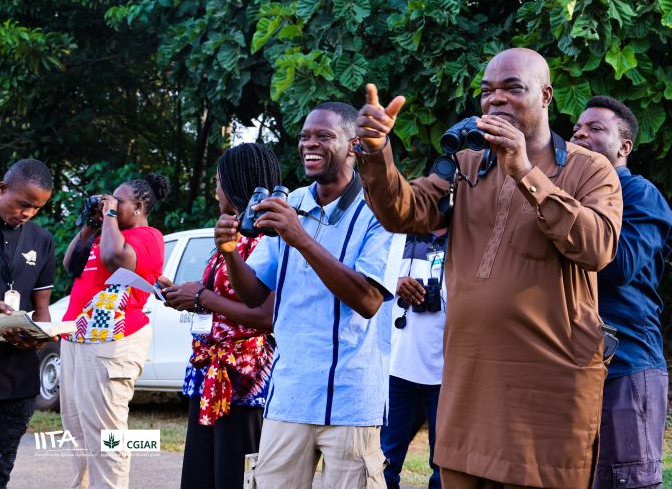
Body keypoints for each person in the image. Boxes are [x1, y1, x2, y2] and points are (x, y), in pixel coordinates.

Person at [355, 47, 624, 489]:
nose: (495, 99)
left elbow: (597, 247)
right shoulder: (469, 164)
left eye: (512, 88)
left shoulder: (589, 168)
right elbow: (404, 211)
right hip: (468, 383)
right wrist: (378, 153)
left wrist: (523, 170)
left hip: (547, 389)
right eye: (487, 91)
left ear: (546, 96)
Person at [220, 102, 403, 489]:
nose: (309, 144)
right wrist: (231, 251)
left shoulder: (383, 209)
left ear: (353, 146)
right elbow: (254, 295)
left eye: (323, 136)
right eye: (304, 136)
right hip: (290, 394)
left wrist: (300, 238)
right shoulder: (294, 203)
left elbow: (369, 301)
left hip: (352, 400)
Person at [570, 96, 672, 489]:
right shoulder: (568, 194)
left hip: (628, 364)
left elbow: (619, 265)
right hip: (570, 367)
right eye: (578, 128)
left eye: (596, 128)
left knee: (627, 481)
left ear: (624, 147)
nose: (581, 133)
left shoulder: (639, 194)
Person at [160, 143, 280, 489]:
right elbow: (219, 296)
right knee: (200, 476)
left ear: (236, 183)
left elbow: (265, 315)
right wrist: (187, 294)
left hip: (244, 377)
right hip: (208, 373)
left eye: (218, 182)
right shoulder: (231, 234)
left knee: (232, 476)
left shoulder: (266, 237)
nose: (215, 191)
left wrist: (202, 296)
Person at [60, 173, 170, 489]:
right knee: (77, 428)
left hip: (112, 342)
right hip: (76, 336)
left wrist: (108, 216)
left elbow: (114, 259)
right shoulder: (104, 233)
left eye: (118, 201)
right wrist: (90, 224)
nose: (111, 203)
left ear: (137, 206)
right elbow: (71, 265)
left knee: (105, 432)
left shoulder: (148, 236)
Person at [0, 159, 57, 488]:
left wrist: (41, 335)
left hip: (15, 380)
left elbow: (41, 308)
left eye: (37, 207)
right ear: (2, 189)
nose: (28, 213)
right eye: (24, 204)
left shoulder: (41, 240)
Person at [382, 230, 447, 489]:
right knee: (384, 462)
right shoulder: (397, 234)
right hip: (397, 368)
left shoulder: (464, 235)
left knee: (444, 470)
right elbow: (366, 274)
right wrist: (394, 282)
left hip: (446, 373)